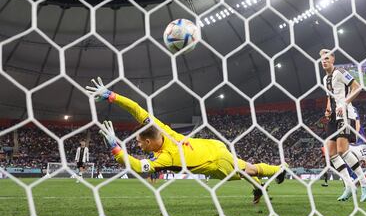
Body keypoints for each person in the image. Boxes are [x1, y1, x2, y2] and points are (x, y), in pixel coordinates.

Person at [86, 77, 287, 204]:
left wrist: (115, 148)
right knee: (247, 170)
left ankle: (278, 169)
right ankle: (260, 185)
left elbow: (137, 165)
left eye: (139, 142)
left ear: (149, 142)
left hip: (216, 162)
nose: (137, 145)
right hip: (211, 146)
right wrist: (112, 96)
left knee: (247, 170)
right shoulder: (160, 129)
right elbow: (136, 109)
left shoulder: (167, 157)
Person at [320, 49, 366, 202]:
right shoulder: (325, 79)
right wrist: (328, 109)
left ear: (333, 59)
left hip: (345, 114)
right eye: (322, 59)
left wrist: (345, 103)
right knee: (331, 153)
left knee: (342, 150)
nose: (324, 61)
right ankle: (349, 186)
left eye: (327, 58)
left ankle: (364, 182)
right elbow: (330, 97)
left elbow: (358, 87)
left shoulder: (340, 72)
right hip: (334, 116)